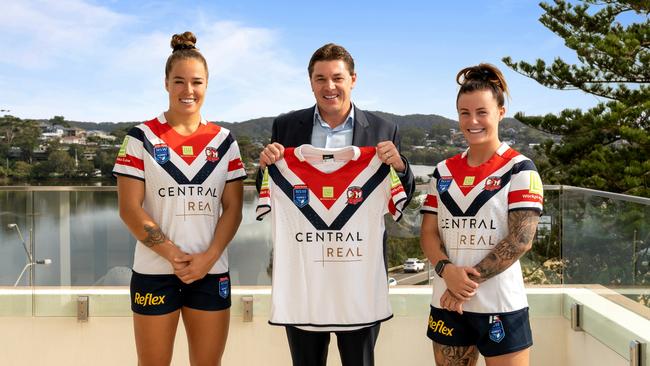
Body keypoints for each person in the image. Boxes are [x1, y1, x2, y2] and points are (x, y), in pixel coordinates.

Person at [255, 43, 415, 366]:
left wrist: (400, 167)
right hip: (303, 282)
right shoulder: (285, 127)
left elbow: (400, 198)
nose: (329, 87)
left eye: (337, 78)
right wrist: (263, 168)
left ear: (353, 79)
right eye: (320, 78)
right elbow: (269, 189)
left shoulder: (384, 129)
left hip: (358, 282)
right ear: (310, 82)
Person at [113, 31, 246, 366]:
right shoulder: (140, 137)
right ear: (166, 83)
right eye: (179, 81)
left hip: (211, 272)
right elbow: (129, 209)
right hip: (154, 272)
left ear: (207, 85)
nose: (188, 91)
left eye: (196, 82)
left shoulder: (225, 141)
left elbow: (232, 209)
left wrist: (208, 257)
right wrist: (173, 255)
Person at [420, 63, 543, 366]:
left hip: (500, 304)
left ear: (501, 112)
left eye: (481, 112)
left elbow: (520, 239)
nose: (472, 121)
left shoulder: (520, 169)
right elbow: (428, 233)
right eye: (464, 113)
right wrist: (447, 272)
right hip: (447, 303)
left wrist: (463, 286)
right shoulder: (443, 171)